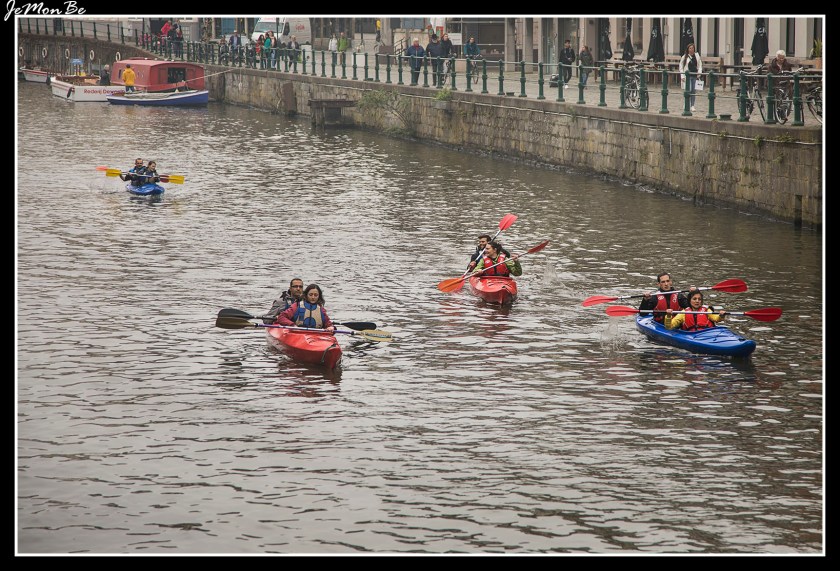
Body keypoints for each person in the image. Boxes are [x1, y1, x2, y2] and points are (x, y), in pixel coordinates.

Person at [679, 42, 703, 112]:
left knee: (693, 91)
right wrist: (682, 76)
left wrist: (699, 73)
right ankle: (686, 103)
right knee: (688, 90)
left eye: (692, 48)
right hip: (687, 76)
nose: (691, 49)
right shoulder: (684, 57)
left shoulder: (697, 56)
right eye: (690, 48)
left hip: (694, 75)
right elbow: (681, 67)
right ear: (688, 49)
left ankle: (692, 105)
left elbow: (699, 65)